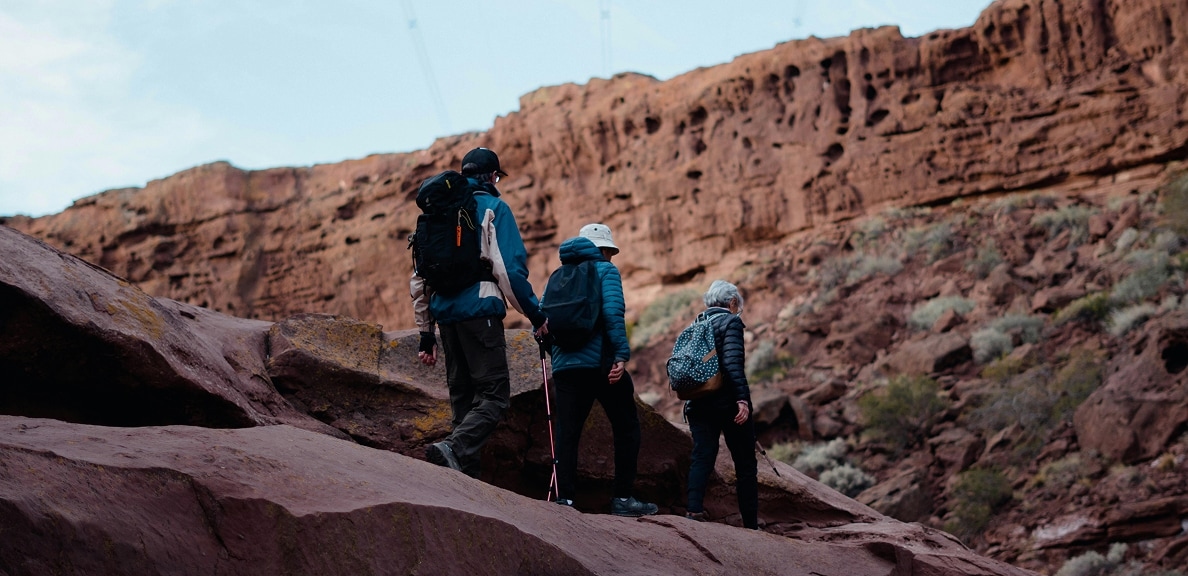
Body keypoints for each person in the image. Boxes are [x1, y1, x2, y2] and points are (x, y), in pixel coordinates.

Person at [411, 147, 548, 478]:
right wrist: (537, 316)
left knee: (463, 403)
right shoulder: (493, 208)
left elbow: (419, 278)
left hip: (446, 317)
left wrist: (426, 332)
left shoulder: (437, 213)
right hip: (480, 311)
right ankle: (454, 450)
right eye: (498, 176)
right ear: (491, 176)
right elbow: (509, 271)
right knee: (494, 397)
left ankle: (462, 481)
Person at [547, 223, 658, 517]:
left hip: (565, 366)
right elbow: (612, 313)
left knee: (567, 431)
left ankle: (565, 500)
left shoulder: (558, 275)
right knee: (627, 427)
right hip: (600, 365)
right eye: (609, 251)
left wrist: (556, 355)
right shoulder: (606, 271)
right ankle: (622, 498)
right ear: (604, 250)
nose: (611, 256)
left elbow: (545, 319)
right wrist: (620, 355)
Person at [684, 280, 759, 529]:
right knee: (745, 462)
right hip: (726, 403)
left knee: (702, 455)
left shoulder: (696, 323)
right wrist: (742, 400)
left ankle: (693, 510)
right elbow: (732, 363)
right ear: (732, 302)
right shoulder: (732, 322)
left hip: (697, 402)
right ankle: (750, 524)